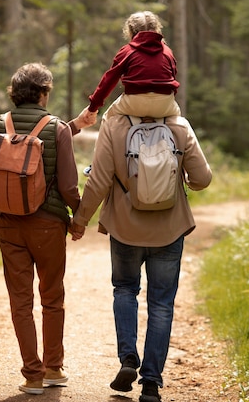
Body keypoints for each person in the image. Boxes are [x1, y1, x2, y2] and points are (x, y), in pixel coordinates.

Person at [68, 113, 212, 402]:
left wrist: (80, 219)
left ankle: (128, 360)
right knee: (161, 304)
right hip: (169, 230)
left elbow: (97, 181)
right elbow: (202, 179)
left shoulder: (114, 126)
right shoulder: (180, 126)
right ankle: (151, 384)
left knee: (124, 290)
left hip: (125, 228)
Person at [0, 62, 91, 395]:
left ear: (15, 92)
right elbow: (67, 185)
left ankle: (32, 375)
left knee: (20, 302)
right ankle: (53, 367)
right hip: (47, 225)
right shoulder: (56, 127)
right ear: (43, 91)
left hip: (8, 223)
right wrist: (79, 217)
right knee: (51, 298)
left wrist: (75, 124)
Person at [77, 10, 181, 128]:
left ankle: (101, 148)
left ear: (130, 31)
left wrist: (93, 108)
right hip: (164, 104)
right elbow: (172, 78)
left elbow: (108, 81)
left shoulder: (127, 51)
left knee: (108, 119)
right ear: (157, 30)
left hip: (134, 103)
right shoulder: (167, 52)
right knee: (181, 124)